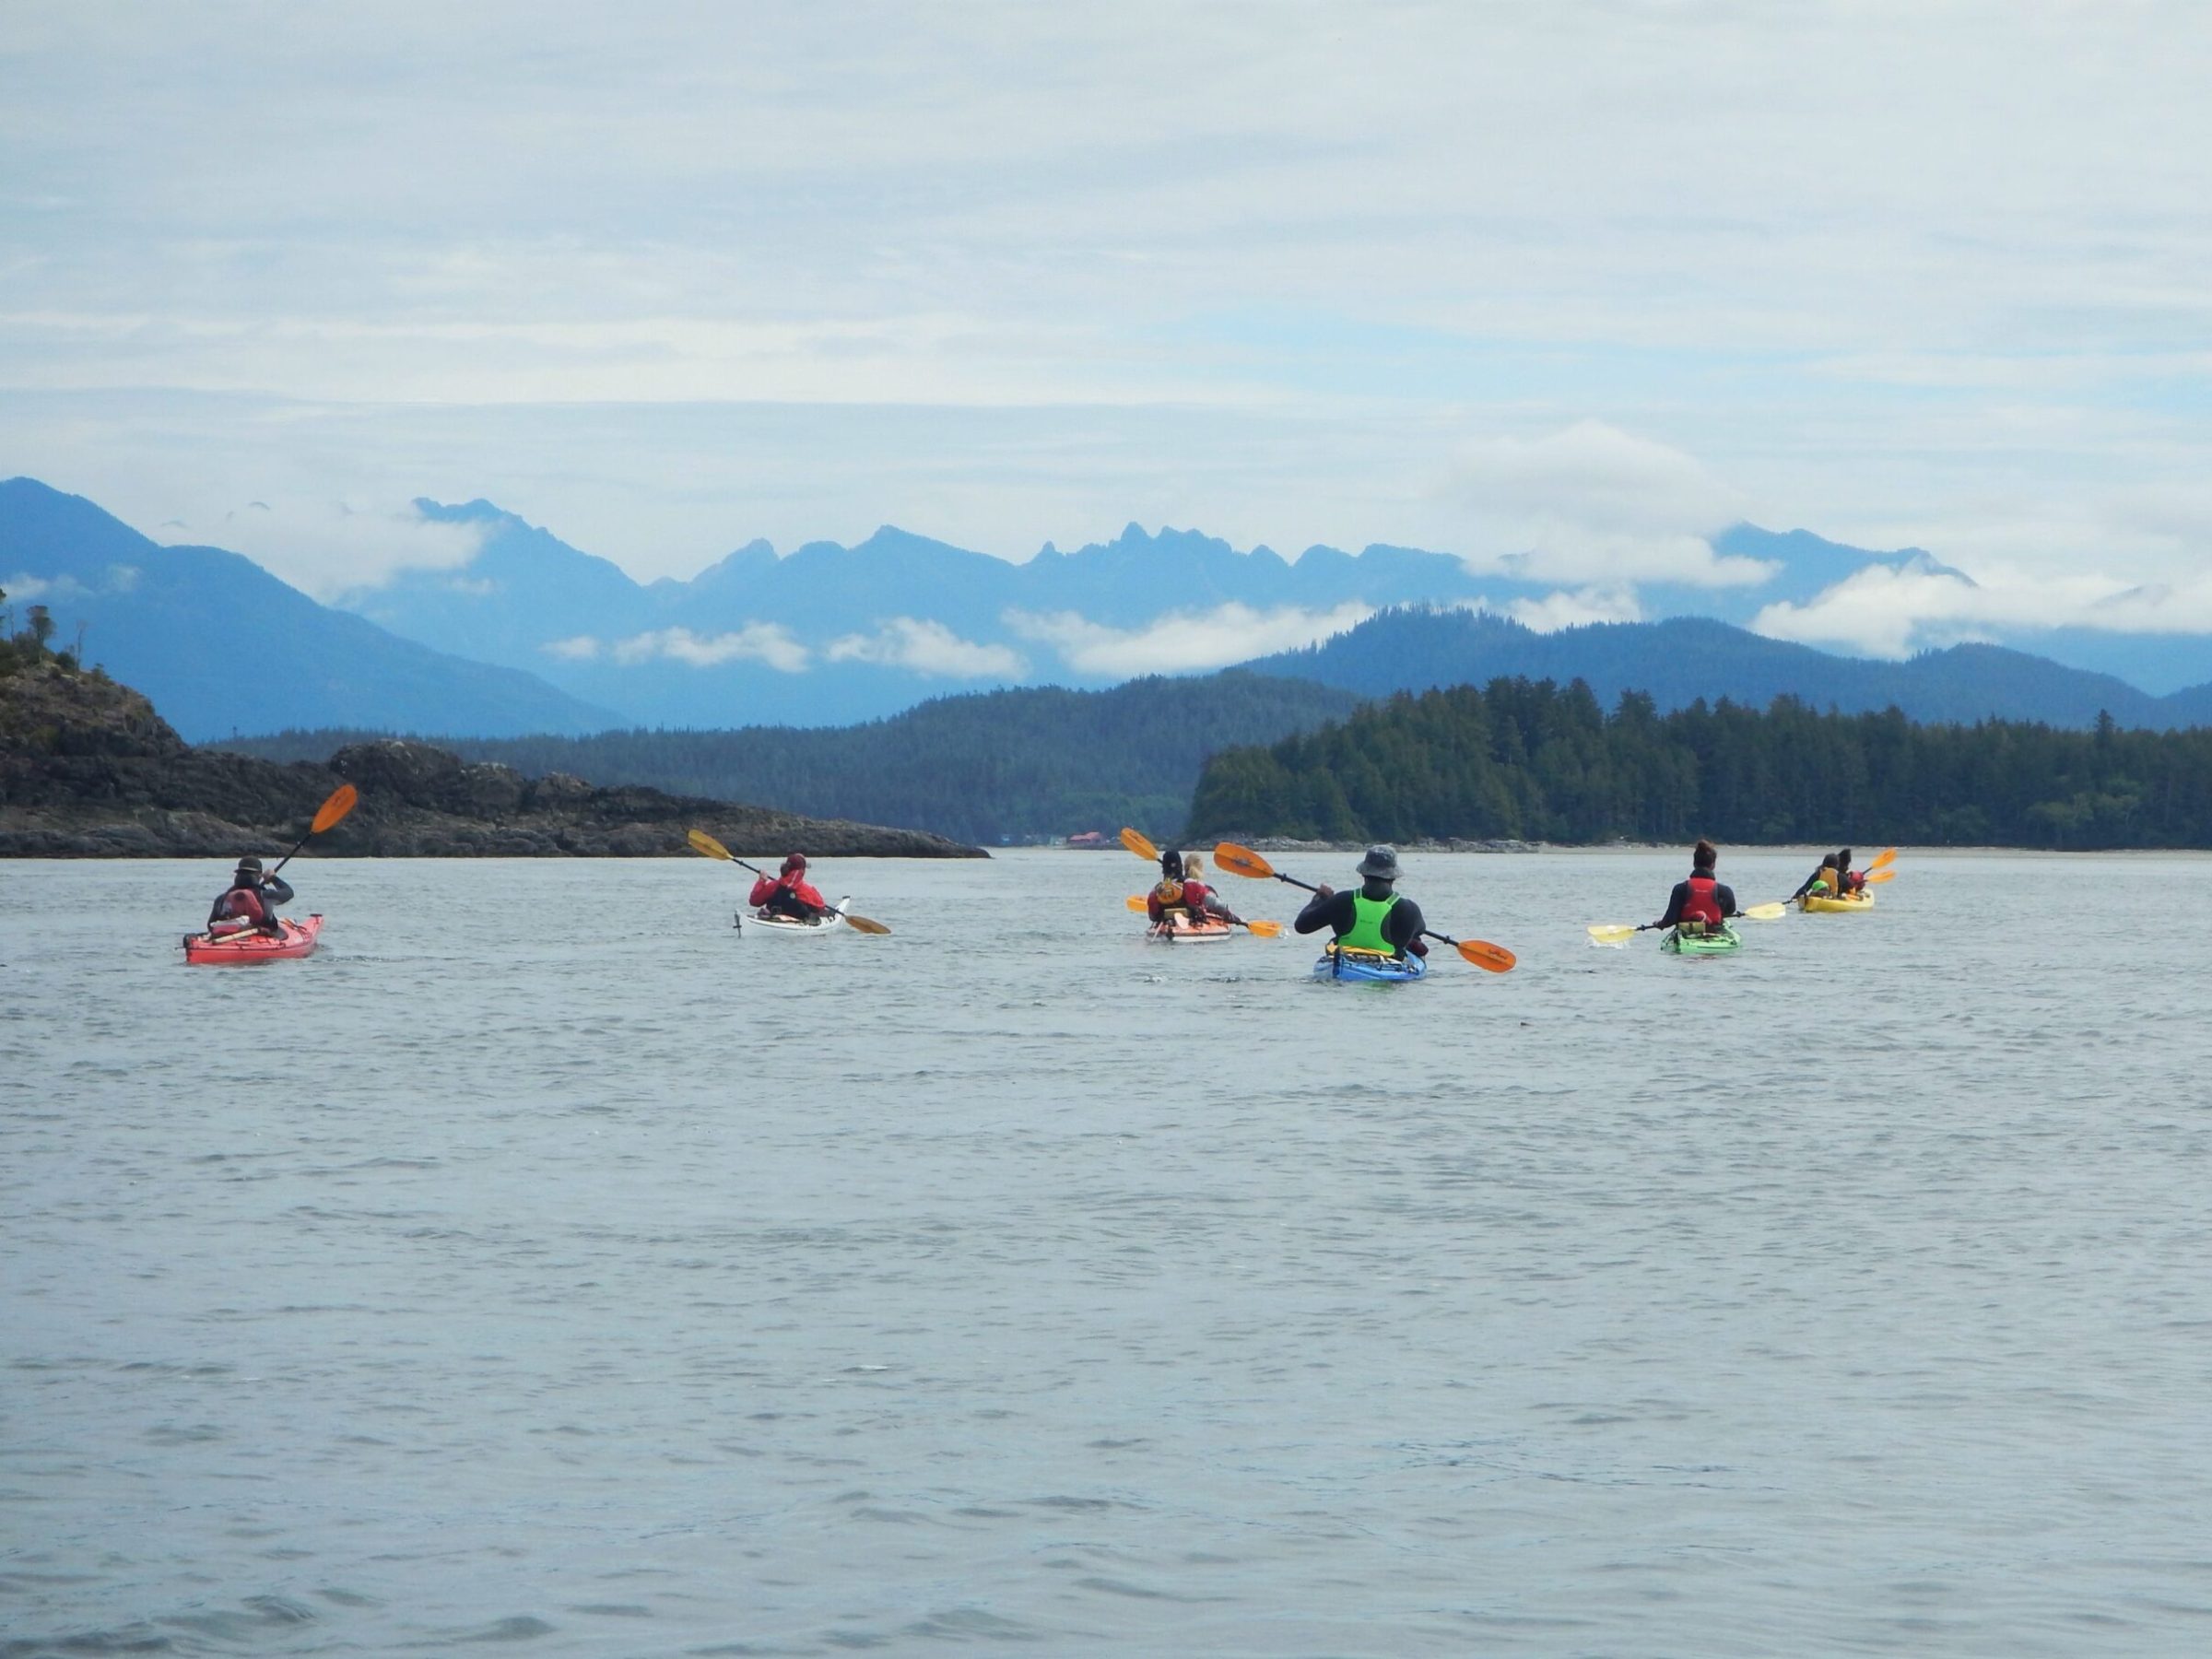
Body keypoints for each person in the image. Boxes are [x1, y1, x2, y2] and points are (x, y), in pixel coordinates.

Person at [1293, 844, 1428, 960]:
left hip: (1345, 963)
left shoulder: (1341, 900)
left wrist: (1319, 899)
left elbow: (1302, 927)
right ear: (1393, 876)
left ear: (1363, 873)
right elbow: (1421, 929)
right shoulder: (1409, 909)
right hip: (1389, 971)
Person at [1654, 840, 1740, 935]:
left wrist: (1660, 924)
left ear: (1694, 864)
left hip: (1686, 933)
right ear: (1713, 865)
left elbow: (1670, 919)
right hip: (1714, 932)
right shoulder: (1725, 891)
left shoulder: (1680, 888)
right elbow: (1730, 911)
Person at [1147, 850, 1242, 929]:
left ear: (1163, 869)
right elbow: (1216, 904)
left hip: (1166, 925)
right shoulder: (1192, 884)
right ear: (1180, 866)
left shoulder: (1156, 890)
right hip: (1193, 923)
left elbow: (1152, 916)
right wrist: (1230, 915)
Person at [207, 854, 294, 936]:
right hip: (259, 938)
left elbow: (210, 925)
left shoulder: (222, 898)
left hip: (225, 936)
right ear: (259, 875)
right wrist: (273, 878)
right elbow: (289, 892)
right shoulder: (266, 895)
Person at [749, 853, 833, 923]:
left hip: (773, 920)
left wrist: (761, 881)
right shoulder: (808, 890)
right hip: (797, 923)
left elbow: (754, 901)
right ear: (802, 871)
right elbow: (821, 907)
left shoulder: (772, 886)